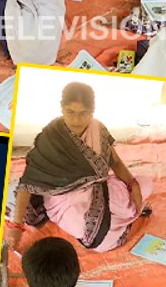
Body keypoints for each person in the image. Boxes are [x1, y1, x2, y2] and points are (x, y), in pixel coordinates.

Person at [8, 82, 152, 252]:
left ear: (93, 111)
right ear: (62, 108)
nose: (76, 120)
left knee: (146, 183)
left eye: (84, 113)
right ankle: (122, 219)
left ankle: (121, 217)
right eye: (70, 112)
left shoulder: (97, 128)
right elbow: (27, 183)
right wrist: (16, 227)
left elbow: (115, 161)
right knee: (100, 241)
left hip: (101, 189)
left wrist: (132, 183)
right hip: (68, 201)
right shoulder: (50, 137)